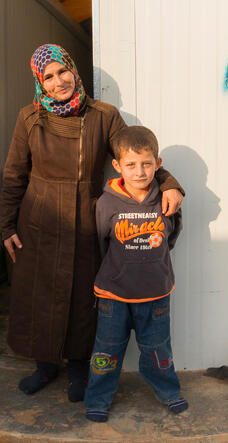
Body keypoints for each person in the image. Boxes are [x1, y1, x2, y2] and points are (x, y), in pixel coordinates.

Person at [0, 44, 183, 402]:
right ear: (40, 82)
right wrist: (7, 227)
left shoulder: (104, 115)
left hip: (86, 216)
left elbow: (135, 152)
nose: (57, 82)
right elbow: (13, 175)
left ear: (74, 70)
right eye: (48, 77)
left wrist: (172, 184)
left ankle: (80, 368)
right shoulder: (28, 118)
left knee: (83, 296)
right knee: (40, 293)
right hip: (37, 219)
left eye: (62, 71)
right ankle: (45, 365)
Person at [83, 126, 187, 423]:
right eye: (131, 164)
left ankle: (168, 391)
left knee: (158, 349)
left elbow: (172, 235)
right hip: (113, 295)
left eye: (146, 164)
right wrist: (122, 267)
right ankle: (98, 398)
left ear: (158, 163)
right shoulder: (107, 203)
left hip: (155, 293)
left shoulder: (166, 199)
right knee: (106, 351)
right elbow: (102, 242)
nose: (139, 172)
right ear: (117, 166)